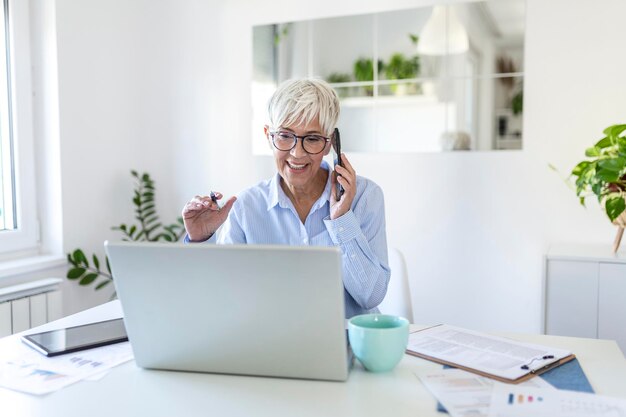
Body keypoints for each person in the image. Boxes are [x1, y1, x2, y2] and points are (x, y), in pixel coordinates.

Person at [181, 78, 390, 318]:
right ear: (268, 136)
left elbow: (370, 296)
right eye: (285, 136)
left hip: (349, 347)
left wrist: (342, 220)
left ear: (329, 144)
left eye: (311, 139)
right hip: (271, 348)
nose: (297, 153)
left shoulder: (365, 197)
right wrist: (201, 241)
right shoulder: (246, 208)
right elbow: (220, 301)